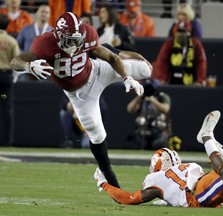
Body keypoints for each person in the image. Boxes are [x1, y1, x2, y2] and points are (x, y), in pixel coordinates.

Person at [10, 12, 152, 188]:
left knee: (146, 70)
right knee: (98, 135)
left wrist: (127, 78)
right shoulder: (43, 44)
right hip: (80, 94)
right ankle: (104, 170)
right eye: (70, 40)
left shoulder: (88, 35)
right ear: (58, 35)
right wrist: (28, 66)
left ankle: (110, 47)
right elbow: (15, 61)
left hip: (97, 71)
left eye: (77, 39)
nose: (75, 45)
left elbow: (111, 58)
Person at [94, 110, 223, 207]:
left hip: (202, 191)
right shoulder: (186, 167)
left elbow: (128, 199)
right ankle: (218, 150)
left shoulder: (156, 181)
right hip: (208, 182)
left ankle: (208, 139)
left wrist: (104, 183)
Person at [152, 21, 207, 86]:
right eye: (179, 31)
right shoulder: (169, 44)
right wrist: (161, 79)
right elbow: (161, 62)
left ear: (189, 33)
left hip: (191, 82)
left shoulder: (196, 44)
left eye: (183, 32)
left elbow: (201, 63)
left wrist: (200, 80)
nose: (181, 34)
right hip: (171, 81)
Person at [127, 78, 172, 150]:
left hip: (159, 130)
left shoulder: (162, 97)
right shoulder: (141, 98)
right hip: (144, 130)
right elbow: (130, 109)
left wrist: (153, 100)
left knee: (158, 144)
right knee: (138, 143)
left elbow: (165, 109)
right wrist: (139, 96)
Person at [0, 14, 20, 146]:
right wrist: (13, 78)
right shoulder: (12, 41)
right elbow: (17, 62)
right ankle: (7, 141)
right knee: (6, 109)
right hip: (5, 77)